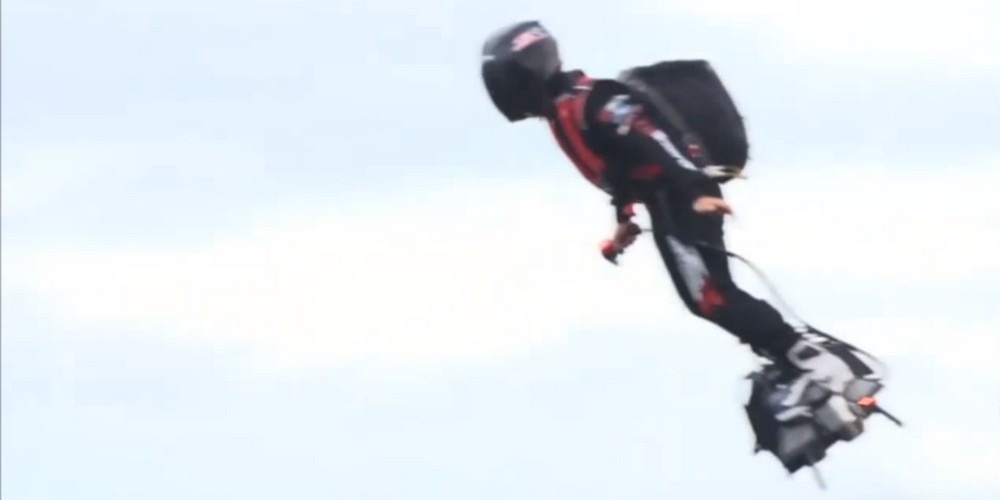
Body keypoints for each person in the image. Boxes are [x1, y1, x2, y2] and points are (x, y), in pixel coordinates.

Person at [479, 20, 885, 427]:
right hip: (666, 199)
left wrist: (695, 190)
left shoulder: (592, 99)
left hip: (680, 195)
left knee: (712, 296)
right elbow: (618, 166)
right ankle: (794, 359)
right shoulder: (566, 110)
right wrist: (624, 220)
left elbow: (651, 135)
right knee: (706, 298)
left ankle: (816, 363)